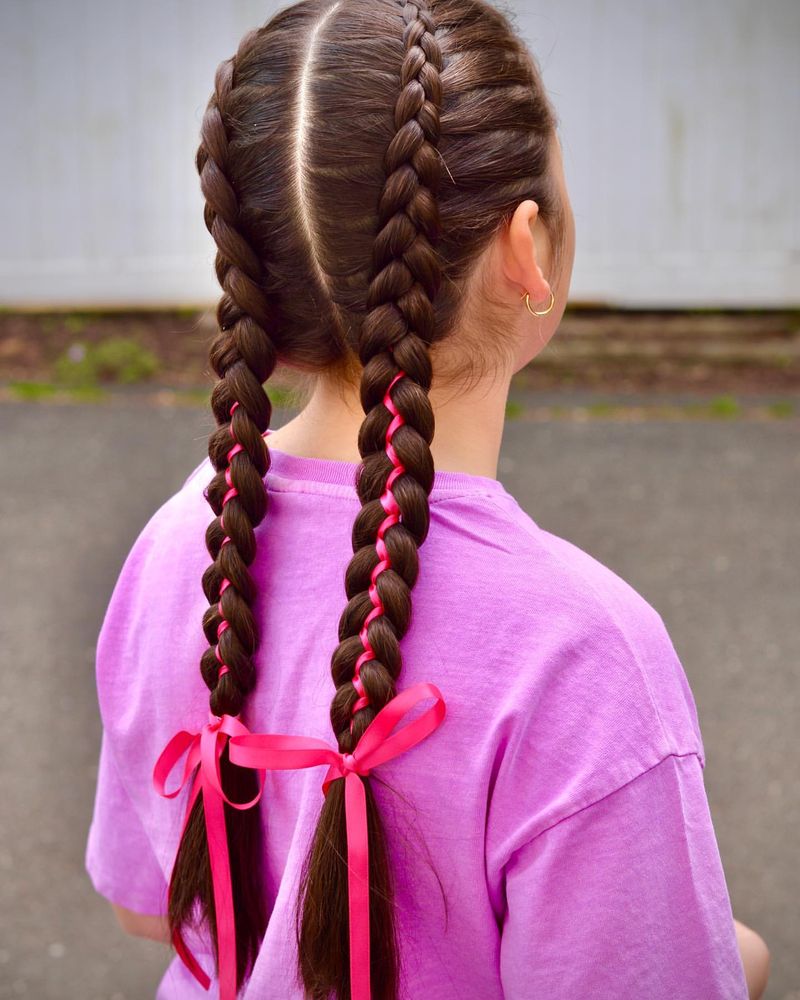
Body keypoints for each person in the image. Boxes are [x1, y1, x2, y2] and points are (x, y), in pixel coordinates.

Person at [84, 1, 768, 997]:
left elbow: (150, 906)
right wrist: (734, 961)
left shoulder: (182, 539)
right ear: (524, 247)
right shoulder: (582, 657)